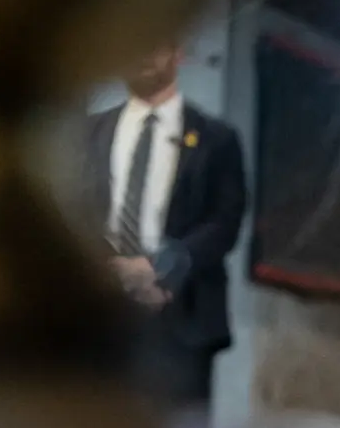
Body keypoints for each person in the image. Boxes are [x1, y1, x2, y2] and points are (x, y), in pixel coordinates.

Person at [80, 45, 245, 404]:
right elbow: (74, 209)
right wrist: (112, 271)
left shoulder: (216, 139)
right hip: (98, 316)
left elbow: (224, 222)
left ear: (177, 53)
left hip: (181, 316)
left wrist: (160, 270)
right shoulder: (88, 134)